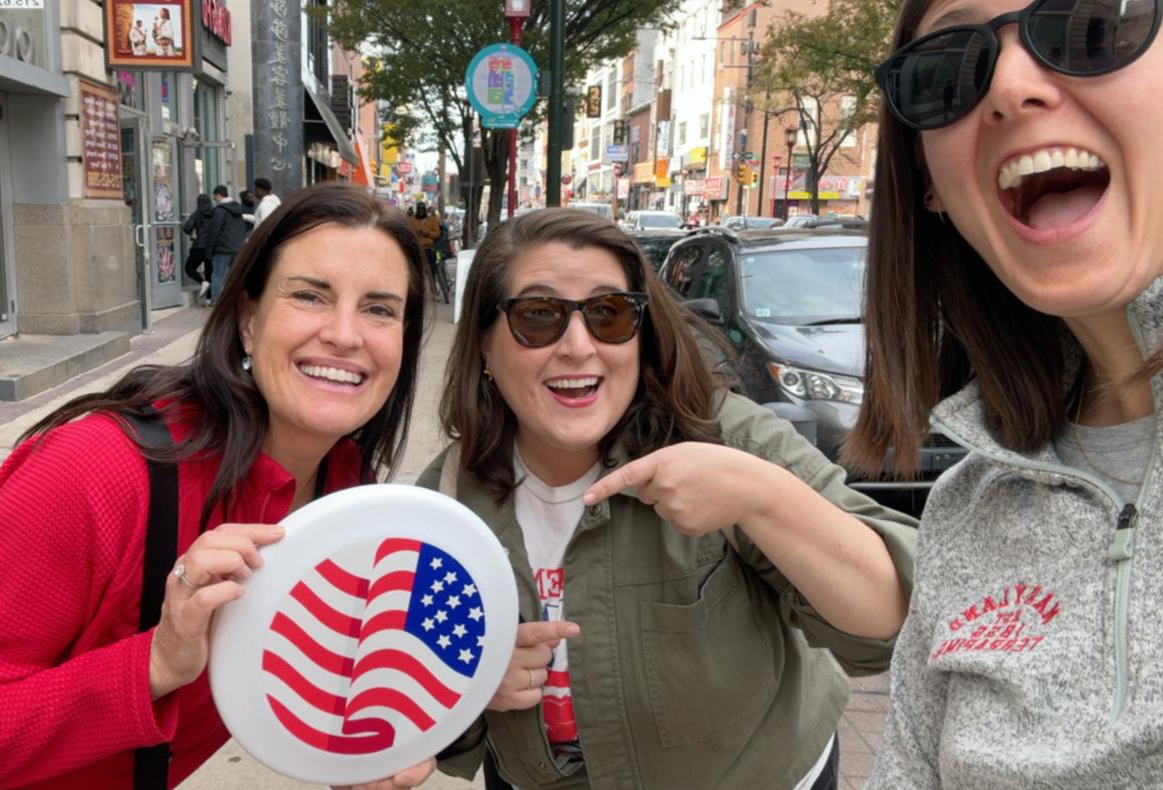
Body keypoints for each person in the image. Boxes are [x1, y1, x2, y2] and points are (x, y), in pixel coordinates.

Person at [0, 183, 436, 790]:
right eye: (310, 295)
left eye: (379, 310)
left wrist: (383, 742)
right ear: (247, 319)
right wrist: (157, 663)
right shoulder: (99, 468)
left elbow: (313, 690)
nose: (344, 335)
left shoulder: (352, 506)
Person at [419, 208, 919, 789]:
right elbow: (417, 705)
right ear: (483, 342)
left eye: (609, 315)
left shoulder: (726, 438)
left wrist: (760, 499)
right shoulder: (444, 504)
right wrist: (470, 684)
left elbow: (890, 619)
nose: (579, 347)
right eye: (538, 316)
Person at [846, 0, 1163, 785]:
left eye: (1095, 24)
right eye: (947, 68)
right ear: (931, 187)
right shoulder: (966, 508)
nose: (1012, 86)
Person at [200, 184, 250, 305]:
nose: (214, 199)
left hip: (223, 248)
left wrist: (209, 250)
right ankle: (236, 299)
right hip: (237, 247)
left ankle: (215, 300)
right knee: (235, 276)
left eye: (214, 196)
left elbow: (215, 231)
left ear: (218, 195)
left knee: (217, 275)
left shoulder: (220, 210)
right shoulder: (238, 209)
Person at [182, 193, 214, 301]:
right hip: (212, 247)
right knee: (209, 271)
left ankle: (202, 282)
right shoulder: (215, 213)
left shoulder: (197, 214)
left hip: (199, 247)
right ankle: (209, 299)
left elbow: (187, 228)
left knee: (189, 268)